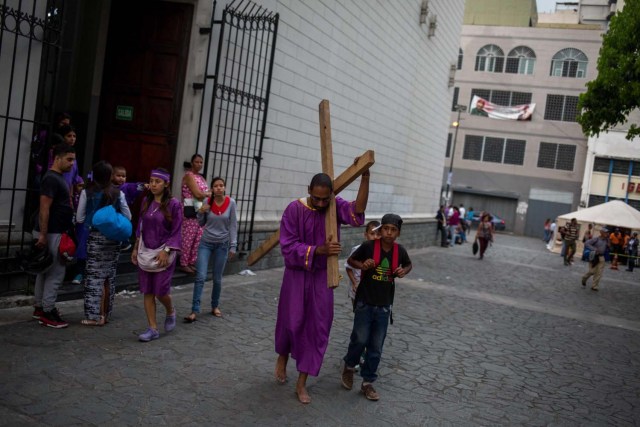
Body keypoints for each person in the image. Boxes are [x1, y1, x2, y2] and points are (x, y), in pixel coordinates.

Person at [274, 168, 369, 404]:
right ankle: (283, 355)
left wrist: (365, 176)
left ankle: (302, 381)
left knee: (318, 326)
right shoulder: (294, 210)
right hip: (297, 275)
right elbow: (287, 247)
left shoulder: (334, 207)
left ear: (330, 196)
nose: (319, 203)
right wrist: (318, 250)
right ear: (309, 191)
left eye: (324, 199)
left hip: (322, 277)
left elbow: (357, 212)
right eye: (315, 198)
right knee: (291, 320)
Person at [340, 213, 412, 401]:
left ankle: (367, 382)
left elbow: (408, 264)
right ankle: (349, 366)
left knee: (376, 346)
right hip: (364, 301)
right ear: (380, 230)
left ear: (398, 233)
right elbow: (351, 261)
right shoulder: (369, 246)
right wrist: (363, 265)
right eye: (386, 229)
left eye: (393, 230)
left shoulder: (399, 251)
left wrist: (403, 271)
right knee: (360, 339)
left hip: (384, 305)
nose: (389, 233)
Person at [76, 161, 131, 326]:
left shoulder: (87, 192)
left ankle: (93, 315)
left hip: (95, 238)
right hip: (113, 240)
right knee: (109, 276)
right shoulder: (117, 193)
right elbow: (128, 216)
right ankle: (105, 315)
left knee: (94, 277)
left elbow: (79, 218)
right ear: (110, 176)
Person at [131, 168, 182, 342]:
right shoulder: (146, 201)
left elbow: (176, 230)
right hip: (146, 251)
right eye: (151, 181)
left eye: (157, 181)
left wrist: (166, 250)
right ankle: (152, 328)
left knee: (160, 291)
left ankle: (170, 311)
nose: (153, 184)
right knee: (147, 291)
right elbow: (140, 225)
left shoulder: (174, 205)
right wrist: (135, 248)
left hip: (164, 253)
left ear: (166, 184)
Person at [32, 144, 76, 328]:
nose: (72, 164)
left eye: (73, 160)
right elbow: (44, 208)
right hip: (52, 232)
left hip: (53, 231)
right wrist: (43, 235)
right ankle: (48, 311)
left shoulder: (57, 178)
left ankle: (40, 307)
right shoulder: (51, 179)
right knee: (56, 272)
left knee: (45, 270)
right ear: (57, 158)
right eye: (69, 159)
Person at [184, 177, 237, 323]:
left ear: (225, 188)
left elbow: (233, 225)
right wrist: (201, 211)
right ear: (212, 189)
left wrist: (233, 245)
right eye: (216, 186)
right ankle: (194, 310)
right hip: (206, 243)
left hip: (222, 245)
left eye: (221, 185)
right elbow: (201, 223)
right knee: (200, 277)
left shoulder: (231, 203)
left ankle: (215, 306)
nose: (219, 188)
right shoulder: (207, 202)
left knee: (217, 279)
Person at [180, 154, 211, 274]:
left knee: (198, 237)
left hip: (200, 208)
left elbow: (203, 194)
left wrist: (207, 194)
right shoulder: (189, 176)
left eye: (201, 162)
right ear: (192, 163)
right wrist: (208, 193)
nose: (199, 164)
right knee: (188, 236)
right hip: (190, 207)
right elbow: (197, 194)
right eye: (197, 162)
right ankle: (184, 263)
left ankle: (191, 262)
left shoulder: (202, 178)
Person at [345, 220, 381, 310]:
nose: (375, 237)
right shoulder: (357, 250)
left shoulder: (381, 252)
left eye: (378, 234)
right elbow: (348, 268)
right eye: (372, 234)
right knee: (358, 314)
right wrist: (354, 283)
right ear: (366, 235)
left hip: (373, 290)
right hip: (357, 288)